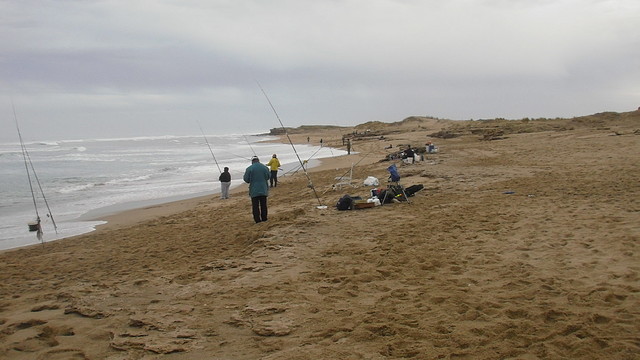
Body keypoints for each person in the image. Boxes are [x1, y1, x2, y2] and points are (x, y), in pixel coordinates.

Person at [243, 156, 270, 223]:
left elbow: (246, 179)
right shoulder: (265, 167)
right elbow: (268, 177)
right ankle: (264, 218)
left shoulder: (249, 169)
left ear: (252, 161)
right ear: (258, 160)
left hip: (254, 190)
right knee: (263, 205)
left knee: (255, 206)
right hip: (263, 188)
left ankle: (257, 220)